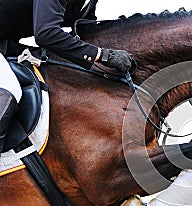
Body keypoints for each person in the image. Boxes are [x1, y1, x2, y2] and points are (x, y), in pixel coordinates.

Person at [0, 0, 133, 152]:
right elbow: (46, 34)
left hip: (7, 43)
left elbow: (86, 31)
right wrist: (102, 55)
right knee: (11, 88)